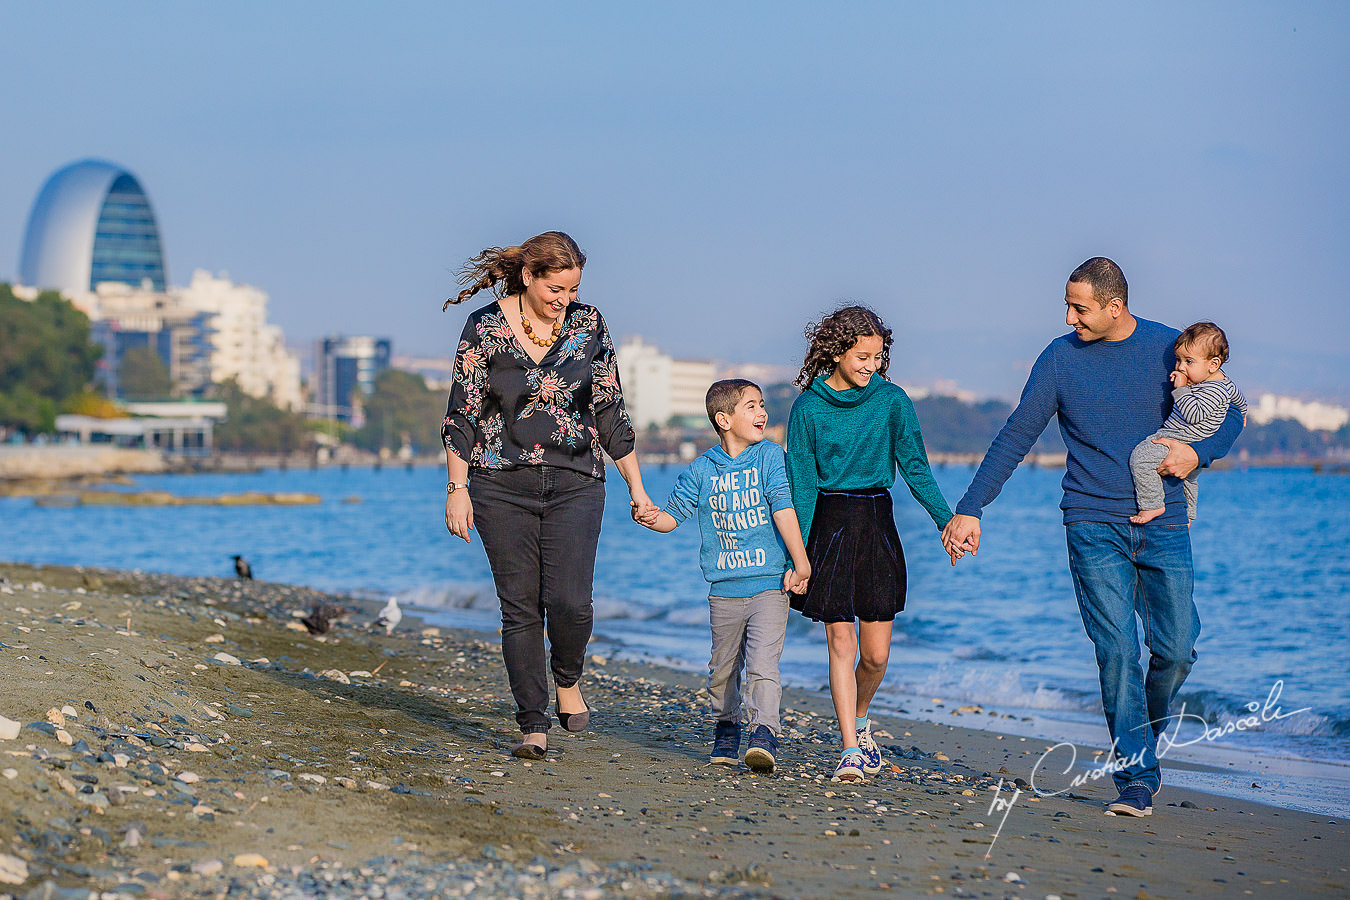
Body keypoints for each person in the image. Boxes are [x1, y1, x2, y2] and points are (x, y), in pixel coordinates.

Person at [942, 257, 1243, 817]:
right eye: (1068, 305)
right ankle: (1136, 777)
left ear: (1114, 305)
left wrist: (1198, 452)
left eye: (1079, 307)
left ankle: (1142, 734)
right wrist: (971, 507)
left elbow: (1231, 411)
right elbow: (1016, 436)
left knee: (1176, 652)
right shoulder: (1060, 358)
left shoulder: (1169, 348)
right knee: (1117, 651)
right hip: (1091, 522)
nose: (1069, 316)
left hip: (1165, 521)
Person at [441, 231, 653, 760]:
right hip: (498, 483)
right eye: (555, 288)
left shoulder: (588, 324)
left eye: (572, 287)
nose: (563, 299)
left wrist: (638, 489)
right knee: (519, 608)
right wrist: (457, 487)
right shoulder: (484, 327)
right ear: (529, 276)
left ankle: (567, 678)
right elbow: (462, 413)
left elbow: (609, 408)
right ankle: (532, 722)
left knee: (571, 602)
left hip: (578, 480)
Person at [785, 306, 955, 784]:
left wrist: (947, 521)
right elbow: (800, 486)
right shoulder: (807, 407)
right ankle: (848, 751)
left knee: (876, 656)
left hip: (878, 522)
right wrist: (797, 556)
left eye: (878, 357)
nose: (871, 366)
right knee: (841, 640)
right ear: (836, 352)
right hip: (829, 527)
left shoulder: (893, 401)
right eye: (862, 356)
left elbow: (916, 467)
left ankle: (860, 722)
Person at [635, 379, 811, 773]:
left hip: (769, 585)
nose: (762, 412)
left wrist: (800, 563)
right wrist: (648, 516)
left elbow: (784, 508)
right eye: (751, 406)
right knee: (723, 670)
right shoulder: (701, 470)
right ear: (724, 419)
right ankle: (727, 726)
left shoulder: (769, 457)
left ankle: (764, 734)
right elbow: (671, 517)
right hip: (724, 590)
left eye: (762, 405)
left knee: (764, 665)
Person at [1128, 322, 1247, 524]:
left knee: (1140, 458)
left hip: (1180, 439)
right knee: (1190, 480)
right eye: (1178, 360)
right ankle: (1189, 515)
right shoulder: (1226, 384)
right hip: (1189, 444)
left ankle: (1152, 505)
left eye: (1189, 362)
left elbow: (1193, 414)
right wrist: (1243, 414)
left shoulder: (1213, 391)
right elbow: (1239, 399)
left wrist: (1181, 389)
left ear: (1213, 365)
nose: (1181, 367)